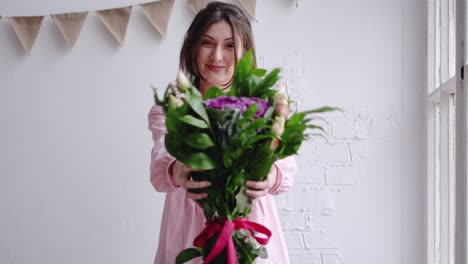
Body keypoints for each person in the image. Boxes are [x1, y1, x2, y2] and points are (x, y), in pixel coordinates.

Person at [148, 2, 297, 263]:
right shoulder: (175, 105)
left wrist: (271, 174)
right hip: (188, 230)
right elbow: (161, 161)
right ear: (192, 46)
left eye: (229, 46)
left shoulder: (262, 102)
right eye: (207, 43)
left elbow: (285, 163)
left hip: (249, 226)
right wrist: (178, 170)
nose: (217, 56)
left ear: (245, 52)